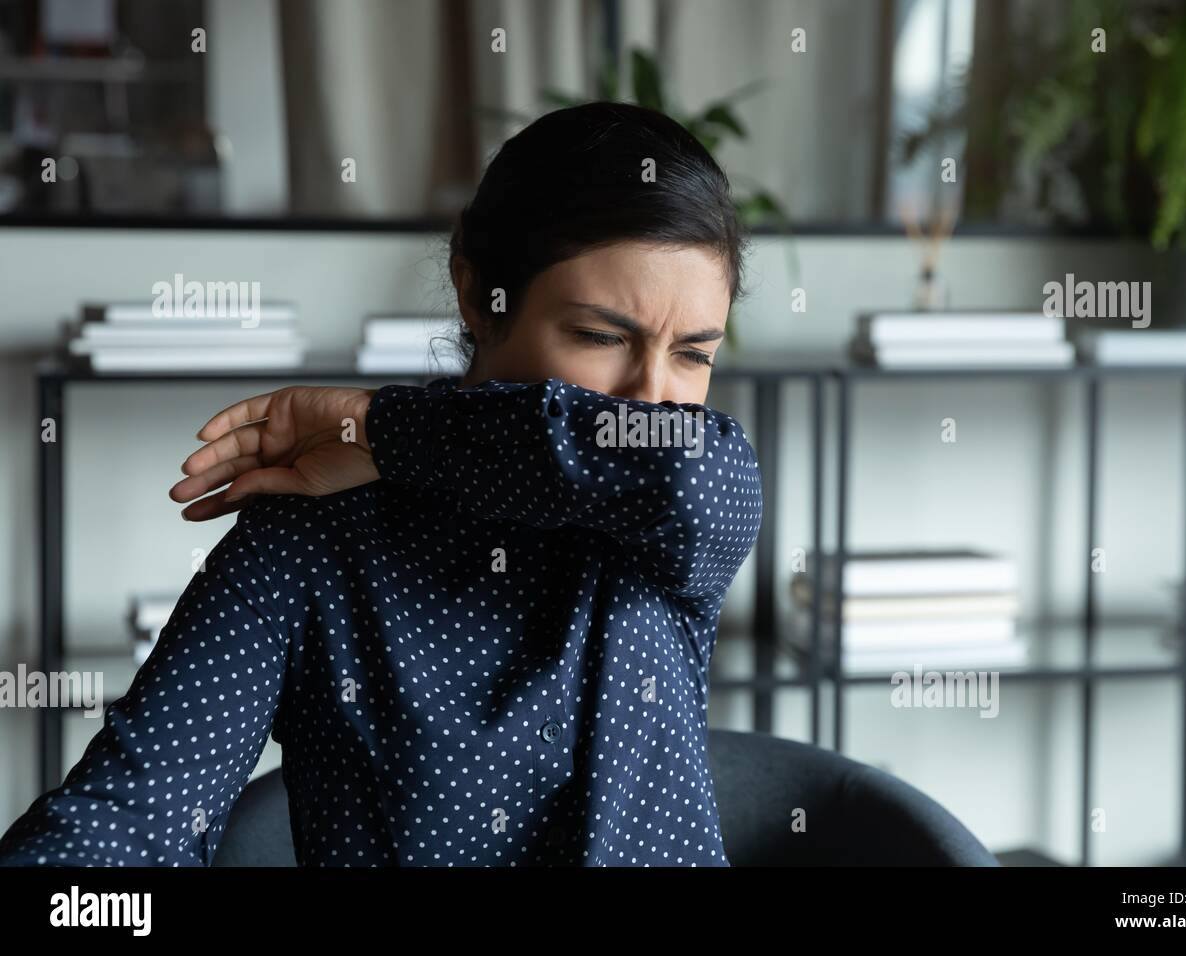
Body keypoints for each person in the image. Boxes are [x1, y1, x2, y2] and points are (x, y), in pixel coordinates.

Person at [0, 101, 762, 867]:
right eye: (600, 337)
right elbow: (127, 816)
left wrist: (378, 430)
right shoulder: (310, 534)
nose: (654, 399)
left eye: (694, 355)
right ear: (476, 293)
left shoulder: (668, 527)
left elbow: (681, 467)